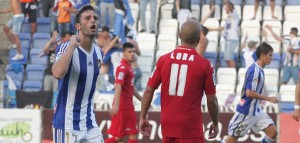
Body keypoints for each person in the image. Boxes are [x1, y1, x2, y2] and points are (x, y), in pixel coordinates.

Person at [139, 20, 219, 143]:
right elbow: (211, 99)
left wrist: (143, 117)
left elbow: (149, 90)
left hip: (167, 124)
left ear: (179, 36)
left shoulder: (163, 60)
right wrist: (215, 122)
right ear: (198, 39)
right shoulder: (205, 65)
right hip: (190, 127)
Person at [51, 5, 104, 142]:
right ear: (78, 26)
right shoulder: (66, 47)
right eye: (87, 18)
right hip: (67, 124)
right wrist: (72, 46)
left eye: (95, 18)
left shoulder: (99, 53)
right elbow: (57, 73)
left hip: (89, 122)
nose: (93, 21)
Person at [221, 42, 279, 143]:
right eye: (270, 55)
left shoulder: (259, 70)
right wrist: (268, 98)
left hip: (255, 110)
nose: (272, 58)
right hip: (246, 111)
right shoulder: (255, 71)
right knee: (231, 139)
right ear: (262, 55)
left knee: (272, 132)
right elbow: (249, 93)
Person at [105, 42, 142, 143]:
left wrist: (142, 100)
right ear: (124, 53)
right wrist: (116, 105)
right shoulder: (122, 68)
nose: (132, 54)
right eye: (129, 52)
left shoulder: (129, 67)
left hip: (128, 106)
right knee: (122, 136)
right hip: (122, 107)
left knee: (129, 135)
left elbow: (131, 87)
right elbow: (118, 85)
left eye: (134, 51)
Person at [209, 2, 240, 68]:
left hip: (232, 39)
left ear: (229, 7)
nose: (225, 9)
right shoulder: (228, 17)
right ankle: (231, 70)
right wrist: (212, 29)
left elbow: (232, 8)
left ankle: (233, 72)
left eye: (226, 7)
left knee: (229, 58)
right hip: (228, 39)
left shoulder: (235, 15)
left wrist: (226, 2)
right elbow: (224, 28)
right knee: (226, 58)